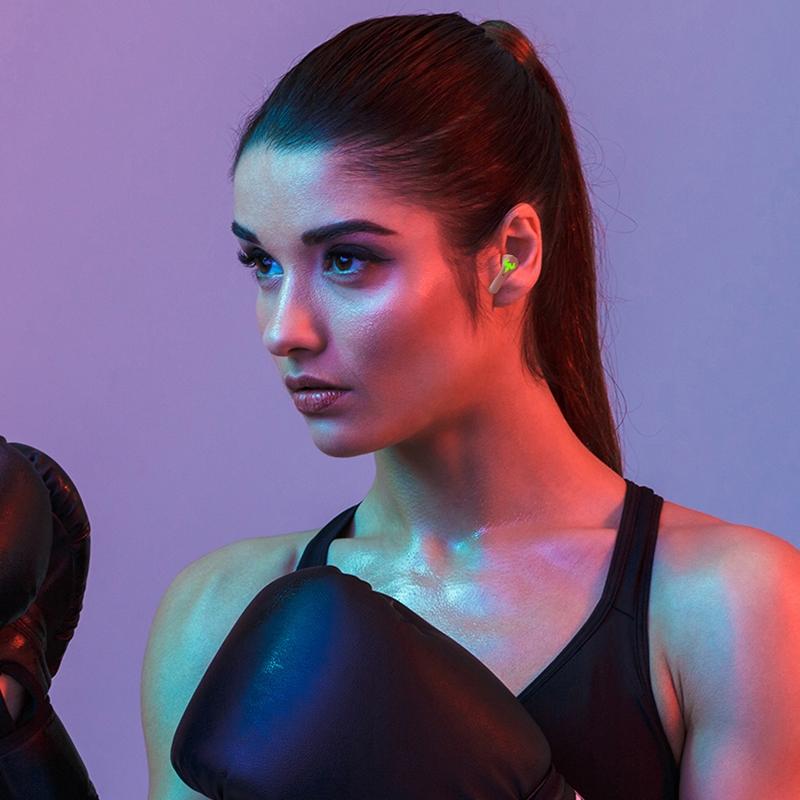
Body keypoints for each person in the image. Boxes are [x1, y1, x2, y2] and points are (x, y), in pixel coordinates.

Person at [135, 11, 800, 800]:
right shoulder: (218, 612)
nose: (286, 330)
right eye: (262, 264)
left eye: (347, 260)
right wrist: (26, 745)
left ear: (510, 255)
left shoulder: (727, 608)